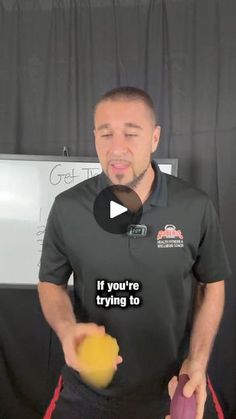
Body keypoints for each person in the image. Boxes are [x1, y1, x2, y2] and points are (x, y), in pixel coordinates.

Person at [38, 86, 231, 419]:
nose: (117, 149)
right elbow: (51, 282)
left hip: (173, 389)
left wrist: (196, 363)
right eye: (106, 134)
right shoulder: (67, 208)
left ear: (155, 138)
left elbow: (211, 284)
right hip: (87, 393)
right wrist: (67, 329)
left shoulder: (194, 206)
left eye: (131, 134)